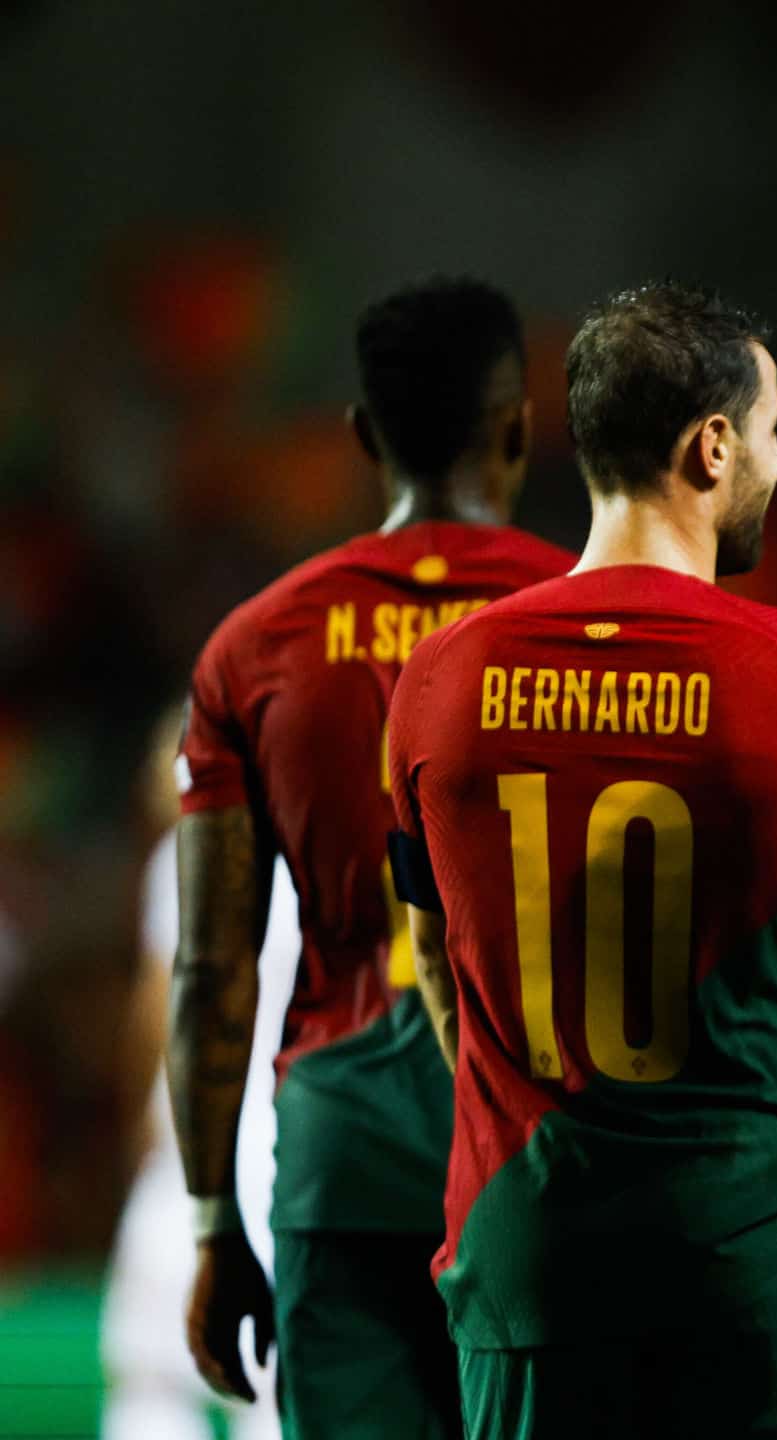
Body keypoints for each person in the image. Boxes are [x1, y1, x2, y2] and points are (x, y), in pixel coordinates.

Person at [386, 282, 777, 1440]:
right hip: (735, 1253)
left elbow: (439, 963)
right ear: (712, 447)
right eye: (771, 431)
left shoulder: (440, 677)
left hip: (528, 1249)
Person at [169, 277, 572, 1437]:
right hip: (544, 1154)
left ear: (362, 435)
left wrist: (214, 1223)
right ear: (516, 427)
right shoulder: (590, 616)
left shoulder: (257, 647)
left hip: (342, 1161)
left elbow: (212, 971)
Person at [104, 704, 292, 1440]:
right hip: (286, 1165)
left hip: (190, 1168)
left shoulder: (183, 854)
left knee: (150, 1393)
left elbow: (157, 1022)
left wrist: (140, 1134)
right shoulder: (317, 856)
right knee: (275, 1399)